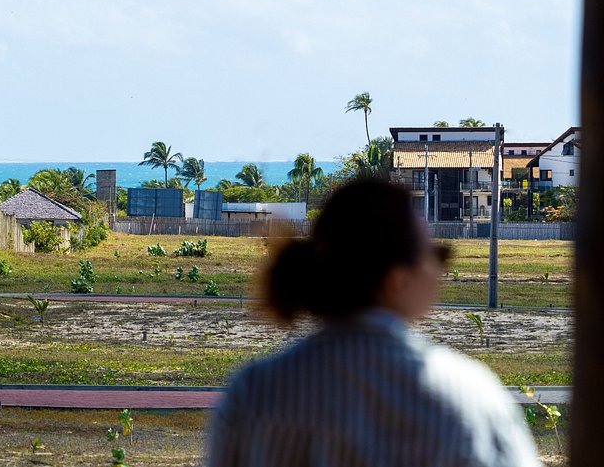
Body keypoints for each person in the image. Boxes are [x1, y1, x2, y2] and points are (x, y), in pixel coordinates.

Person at [207, 179, 539, 467]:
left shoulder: (255, 393)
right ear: (396, 280)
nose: (440, 272)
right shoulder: (471, 397)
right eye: (435, 257)